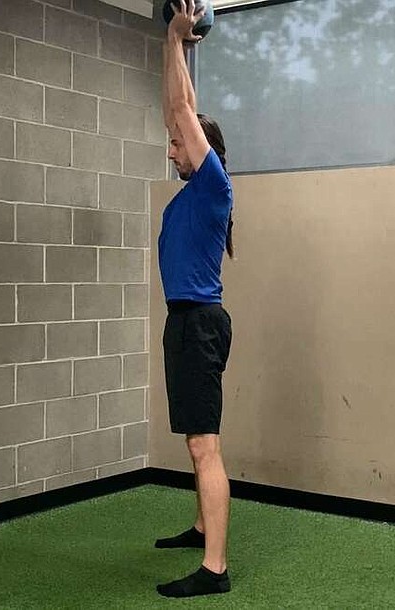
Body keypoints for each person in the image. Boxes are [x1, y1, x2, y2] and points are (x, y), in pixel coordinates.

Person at [154, 0, 235, 599]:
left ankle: (215, 569)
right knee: (194, 439)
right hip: (185, 323)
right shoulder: (191, 193)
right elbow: (172, 111)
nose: (172, 149)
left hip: (199, 325)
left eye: (179, 145)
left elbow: (181, 110)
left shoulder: (212, 185)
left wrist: (178, 41)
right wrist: (169, 47)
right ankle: (201, 523)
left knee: (205, 445)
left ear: (200, 148)